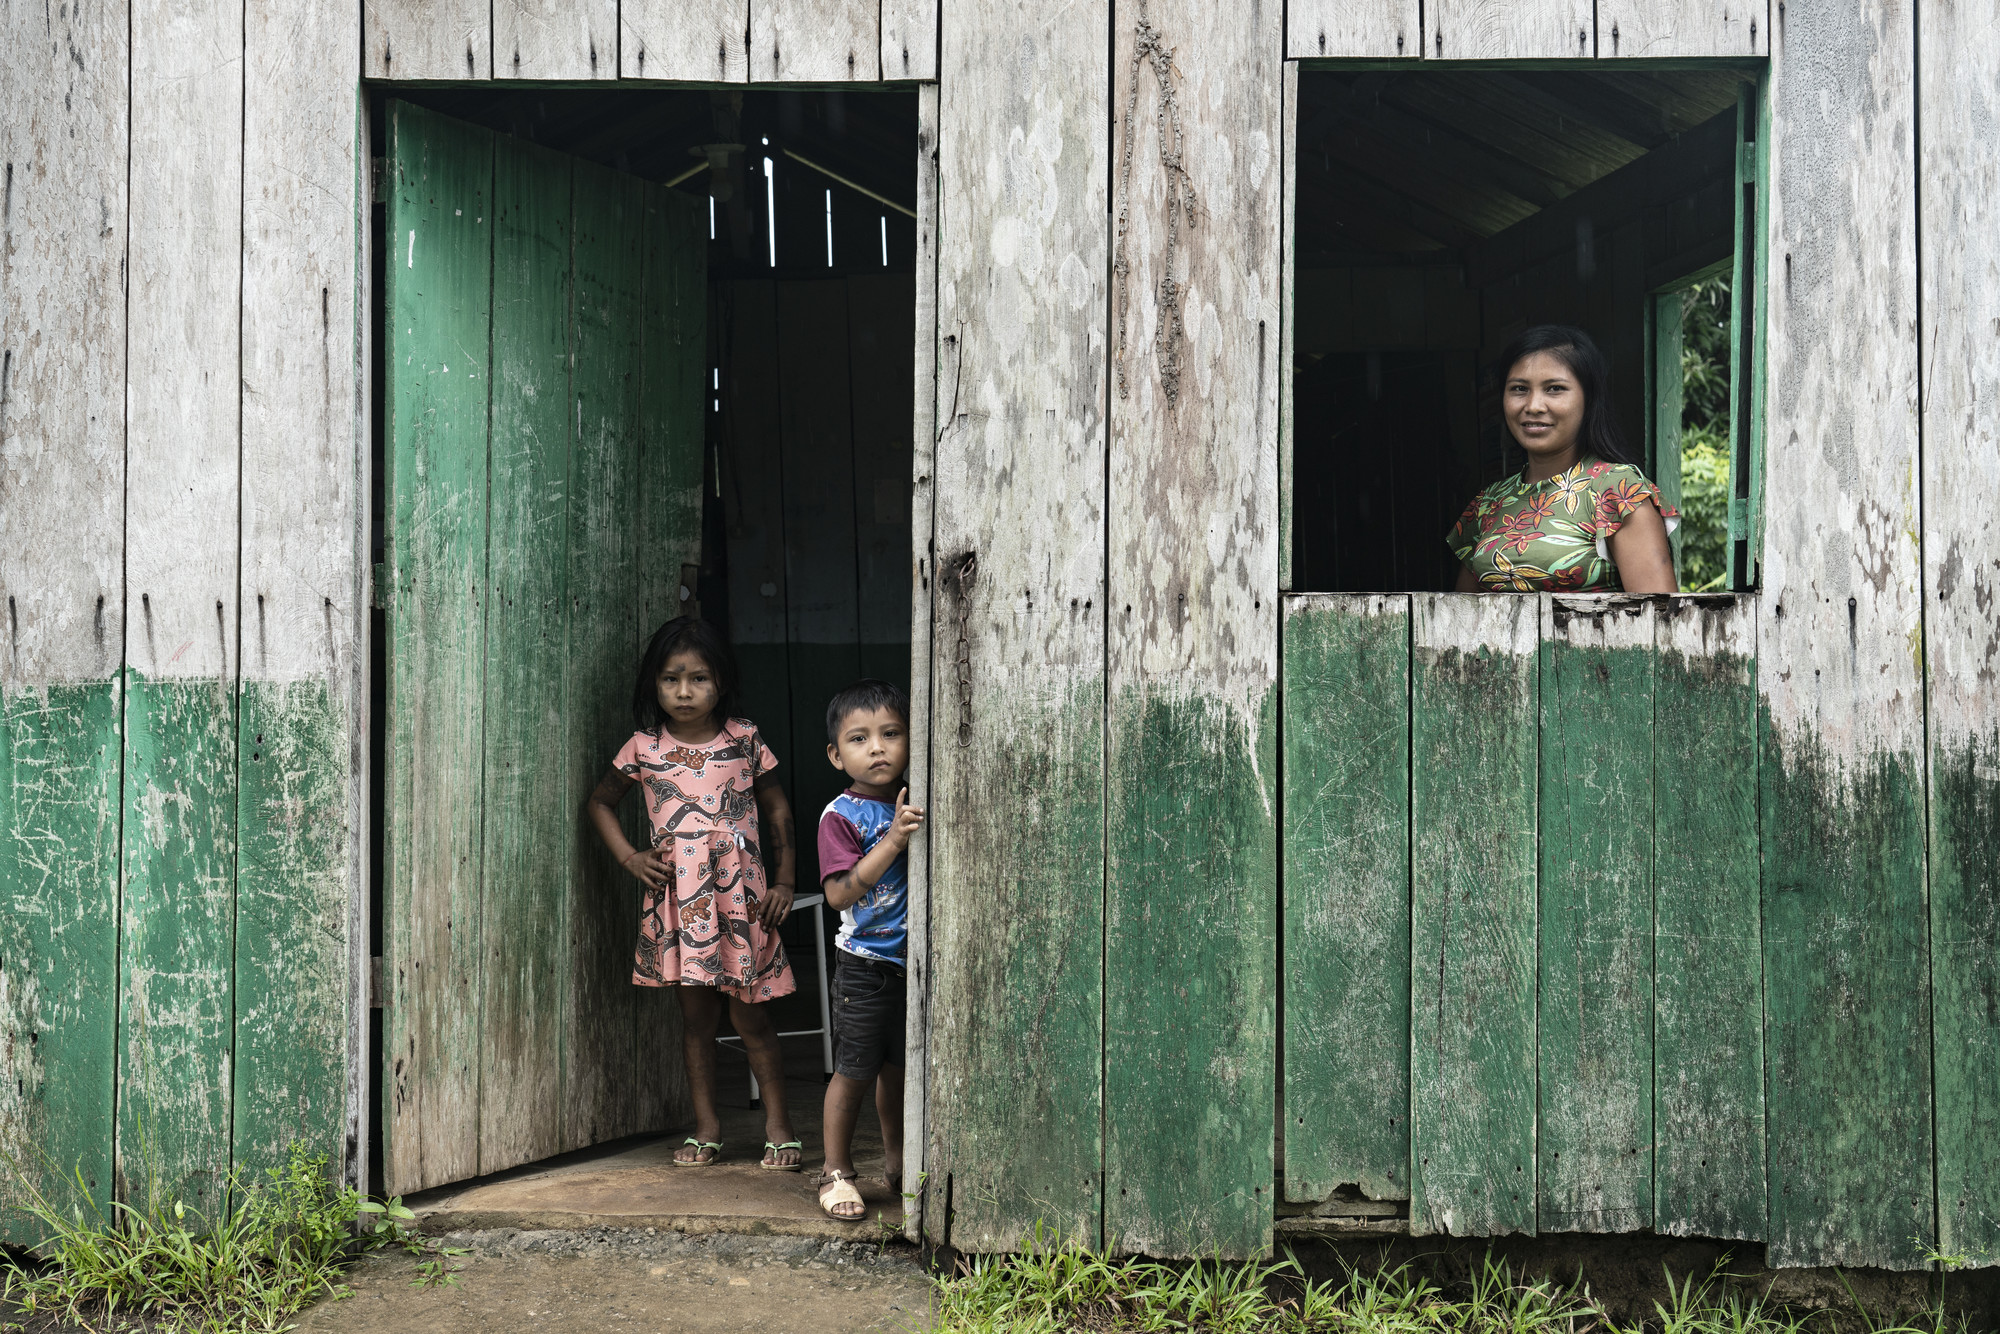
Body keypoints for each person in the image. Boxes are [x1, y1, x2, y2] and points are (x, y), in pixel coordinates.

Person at [583, 616, 805, 1172]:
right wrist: (630, 857)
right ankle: (707, 1129)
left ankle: (779, 1126)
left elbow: (777, 808)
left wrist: (783, 881)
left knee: (752, 1018)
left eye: (699, 679)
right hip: (682, 904)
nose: (684, 692)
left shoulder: (744, 739)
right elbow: (600, 803)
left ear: (721, 682)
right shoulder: (643, 748)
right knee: (696, 1021)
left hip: (743, 900)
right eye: (671, 679)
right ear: (653, 685)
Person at [1449, 325, 1679, 593]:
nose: (1533, 406)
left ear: (1589, 399)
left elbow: (1660, 621)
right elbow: (1459, 615)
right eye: (1519, 389)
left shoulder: (1619, 491)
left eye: (1555, 388)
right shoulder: (1489, 503)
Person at [813, 680, 923, 1222]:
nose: (877, 747)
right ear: (837, 755)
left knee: (899, 1071)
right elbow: (838, 893)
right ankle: (836, 1171)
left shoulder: (918, 795)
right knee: (854, 1069)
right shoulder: (842, 816)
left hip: (917, 966)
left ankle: (899, 1163)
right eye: (860, 738)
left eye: (891, 734)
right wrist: (894, 841)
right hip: (866, 966)